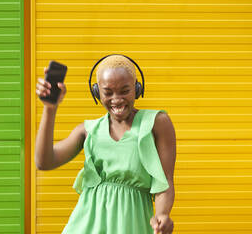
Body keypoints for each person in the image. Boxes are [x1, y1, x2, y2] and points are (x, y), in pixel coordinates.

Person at [35, 54, 176, 234]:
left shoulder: (157, 123)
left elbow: (166, 181)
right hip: (86, 225)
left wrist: (163, 214)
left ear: (137, 88)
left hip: (132, 225)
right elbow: (44, 162)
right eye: (108, 92)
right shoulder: (88, 130)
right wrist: (50, 108)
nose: (116, 99)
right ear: (96, 92)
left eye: (125, 91)